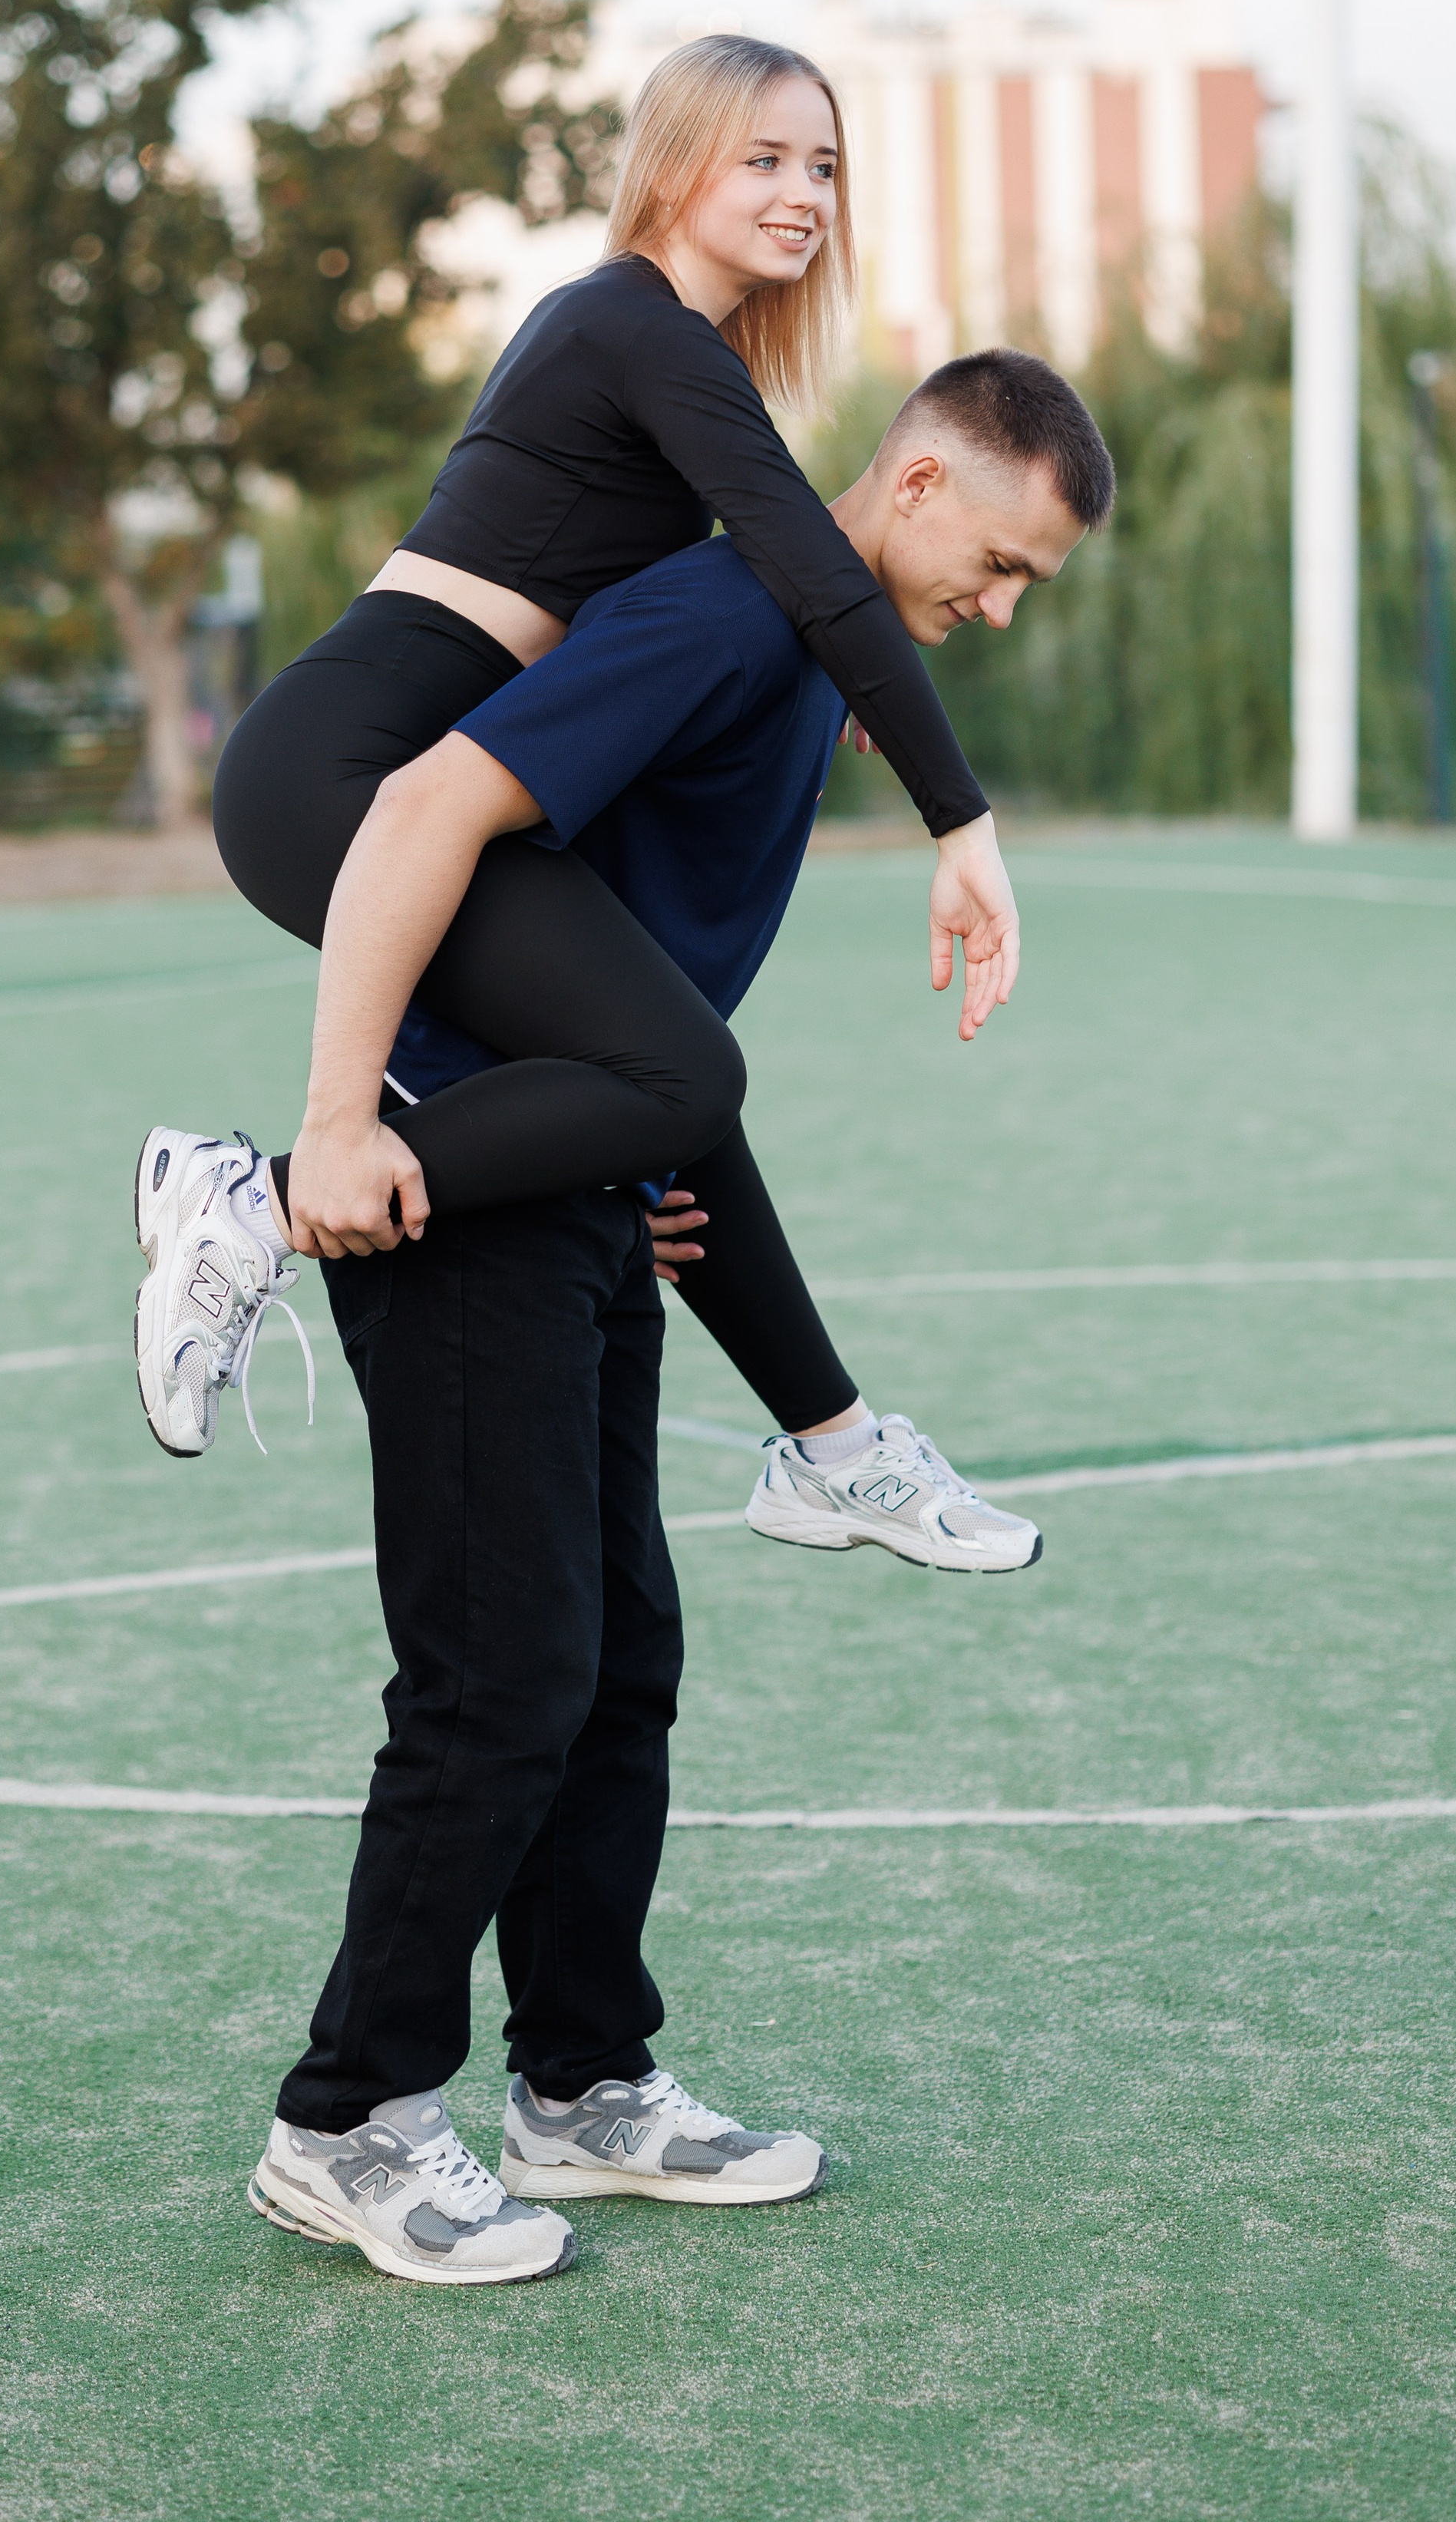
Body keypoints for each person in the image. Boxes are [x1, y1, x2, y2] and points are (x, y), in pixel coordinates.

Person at [222, 358, 1103, 2287]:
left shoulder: (802, 657)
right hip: (445, 1198)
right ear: (916, 482)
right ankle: (345, 2121)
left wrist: (634, 1161)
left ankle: (582, 2084)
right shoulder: (716, 614)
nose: (997, 608)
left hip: (588, 1200)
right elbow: (431, 812)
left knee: (618, 1660)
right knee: (498, 1678)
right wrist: (338, 1129)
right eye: (999, 564)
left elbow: (622, 977)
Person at [137, 37, 1100, 1467]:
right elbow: (820, 578)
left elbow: (773, 606)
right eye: (765, 158)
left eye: (825, 166)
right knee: (683, 1068)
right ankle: (253, 1200)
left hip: (397, 764)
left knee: (660, 1059)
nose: (805, 194)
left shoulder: (682, 359)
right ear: (674, 165)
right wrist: (961, 824)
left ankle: (838, 1448)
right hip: (341, 768)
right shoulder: (636, 329)